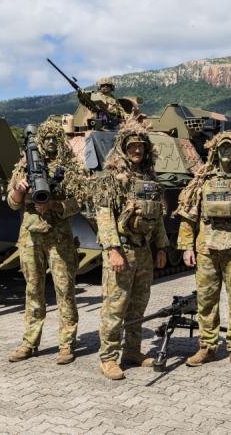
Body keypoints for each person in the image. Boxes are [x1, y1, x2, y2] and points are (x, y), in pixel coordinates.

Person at [94, 119, 169, 380]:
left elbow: (158, 217)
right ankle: (108, 358)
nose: (137, 150)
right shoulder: (112, 178)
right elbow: (104, 216)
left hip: (144, 251)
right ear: (124, 147)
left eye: (140, 146)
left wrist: (160, 247)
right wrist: (112, 249)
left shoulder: (150, 179)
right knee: (116, 307)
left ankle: (132, 351)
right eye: (132, 146)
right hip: (122, 251)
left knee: (138, 305)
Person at [7, 119, 85, 365]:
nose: (51, 143)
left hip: (60, 238)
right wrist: (20, 190)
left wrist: (54, 205)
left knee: (65, 291)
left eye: (55, 138)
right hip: (31, 238)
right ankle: (29, 342)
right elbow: (12, 202)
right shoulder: (25, 165)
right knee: (33, 290)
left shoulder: (70, 168)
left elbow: (79, 202)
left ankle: (66, 344)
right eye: (47, 138)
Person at [174, 131, 231, 369]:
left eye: (230, 148)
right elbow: (188, 215)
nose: (226, 152)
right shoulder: (203, 179)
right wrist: (186, 246)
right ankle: (207, 346)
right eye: (222, 149)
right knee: (207, 300)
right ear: (215, 152)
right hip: (206, 248)